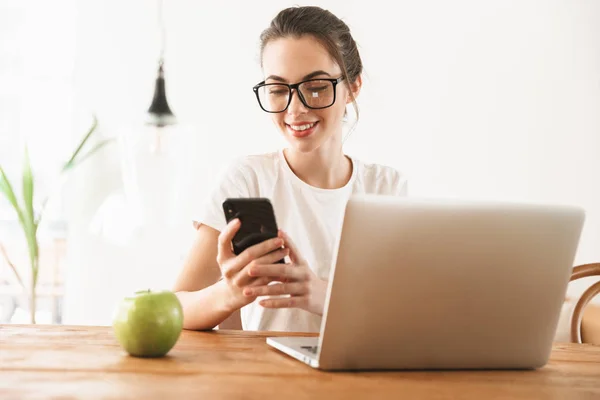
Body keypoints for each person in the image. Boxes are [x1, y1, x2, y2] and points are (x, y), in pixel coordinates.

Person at [173, 5, 407, 332]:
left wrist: (323, 295)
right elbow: (175, 308)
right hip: (266, 378)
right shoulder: (247, 179)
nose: (295, 109)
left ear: (353, 87)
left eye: (316, 87)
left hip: (358, 379)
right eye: (279, 89)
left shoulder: (386, 188)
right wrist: (232, 292)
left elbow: (403, 315)